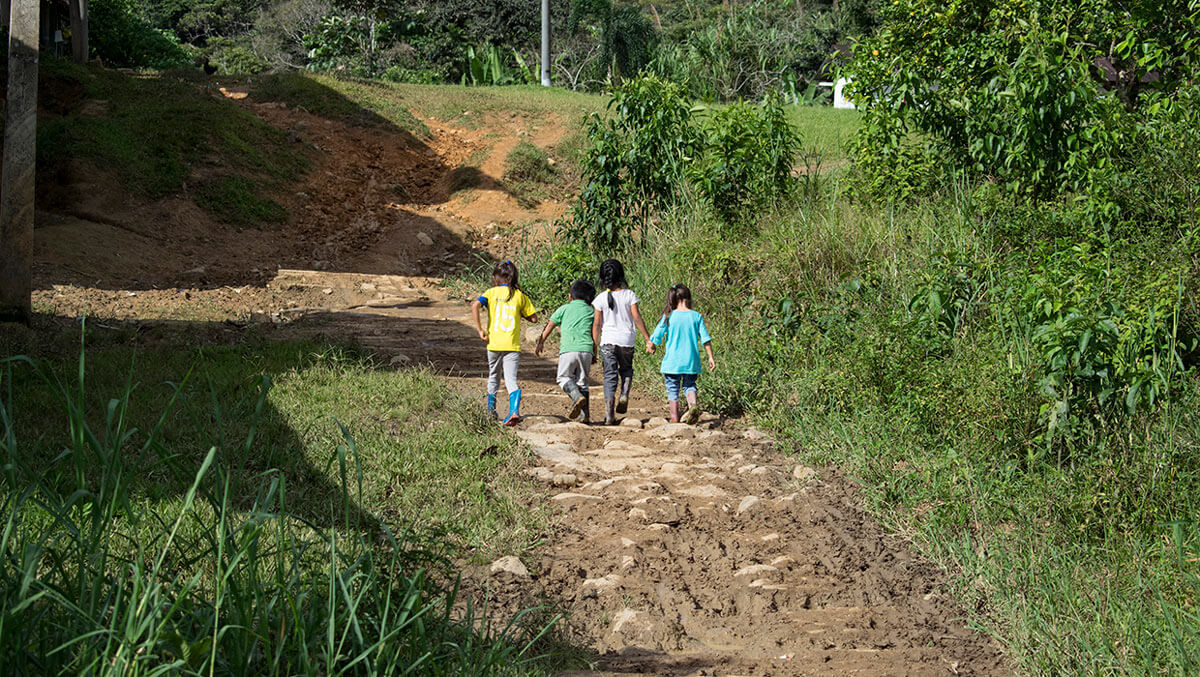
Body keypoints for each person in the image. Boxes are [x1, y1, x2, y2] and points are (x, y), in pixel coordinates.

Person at [471, 261, 538, 426]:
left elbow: (475, 305)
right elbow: (534, 318)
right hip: (512, 345)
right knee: (511, 379)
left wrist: (480, 330)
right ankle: (514, 411)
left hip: (493, 343)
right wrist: (520, 313)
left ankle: (490, 411)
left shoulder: (491, 293)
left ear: (495, 278)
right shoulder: (519, 295)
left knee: (493, 375)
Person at [592, 259, 651, 425]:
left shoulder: (600, 298)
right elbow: (637, 317)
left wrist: (594, 346)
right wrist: (647, 338)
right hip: (627, 341)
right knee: (626, 369)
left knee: (609, 376)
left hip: (607, 342)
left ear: (603, 279)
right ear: (621, 276)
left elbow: (597, 324)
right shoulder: (629, 295)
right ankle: (624, 393)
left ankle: (609, 414)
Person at [647, 283, 716, 424]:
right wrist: (710, 357)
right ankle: (693, 406)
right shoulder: (696, 316)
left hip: (673, 362)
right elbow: (706, 339)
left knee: (672, 388)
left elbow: (656, 335)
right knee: (689, 385)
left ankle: (674, 418)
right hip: (691, 360)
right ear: (688, 298)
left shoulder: (668, 316)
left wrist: (651, 345)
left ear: (672, 298)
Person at [535, 279, 597, 422]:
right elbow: (595, 333)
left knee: (563, 378)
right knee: (583, 382)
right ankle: (585, 416)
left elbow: (550, 325)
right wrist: (594, 352)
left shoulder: (564, 308)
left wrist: (541, 342)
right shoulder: (591, 311)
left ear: (570, 296)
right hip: (586, 350)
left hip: (568, 350)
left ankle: (576, 396)